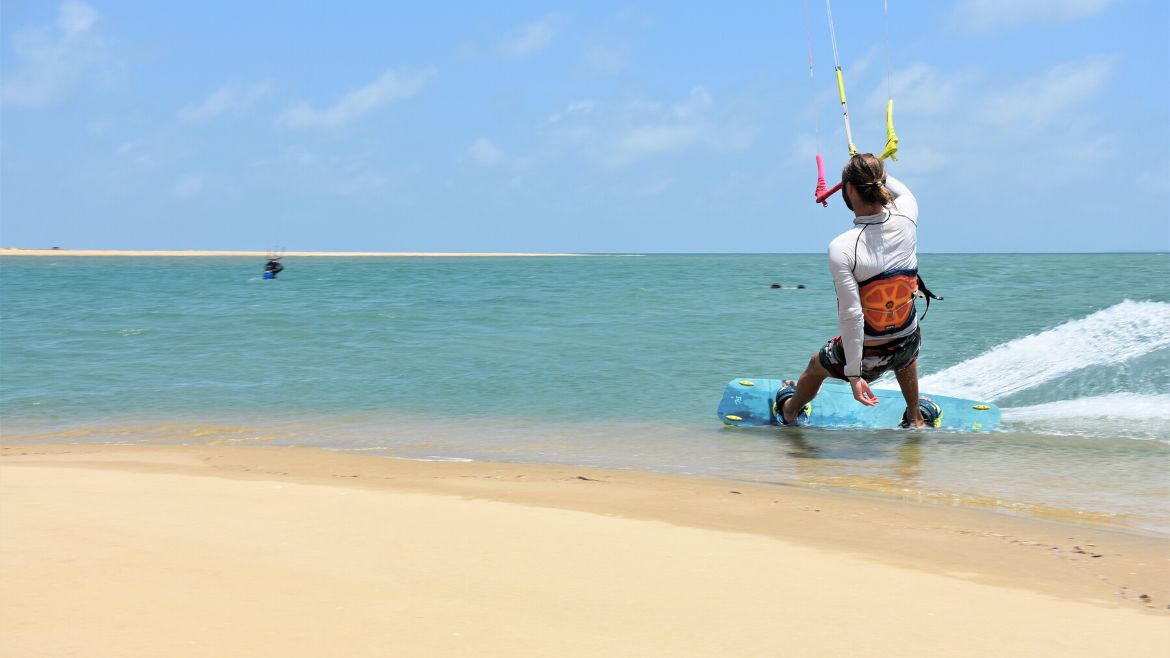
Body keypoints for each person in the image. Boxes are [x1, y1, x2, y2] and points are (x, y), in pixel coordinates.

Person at [778, 153, 935, 428]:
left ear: (849, 190)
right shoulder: (908, 215)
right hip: (907, 342)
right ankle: (915, 417)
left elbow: (852, 315)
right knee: (904, 341)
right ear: (880, 184)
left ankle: (789, 411)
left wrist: (853, 375)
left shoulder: (842, 248)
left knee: (816, 365)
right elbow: (902, 190)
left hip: (868, 353)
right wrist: (869, 167)